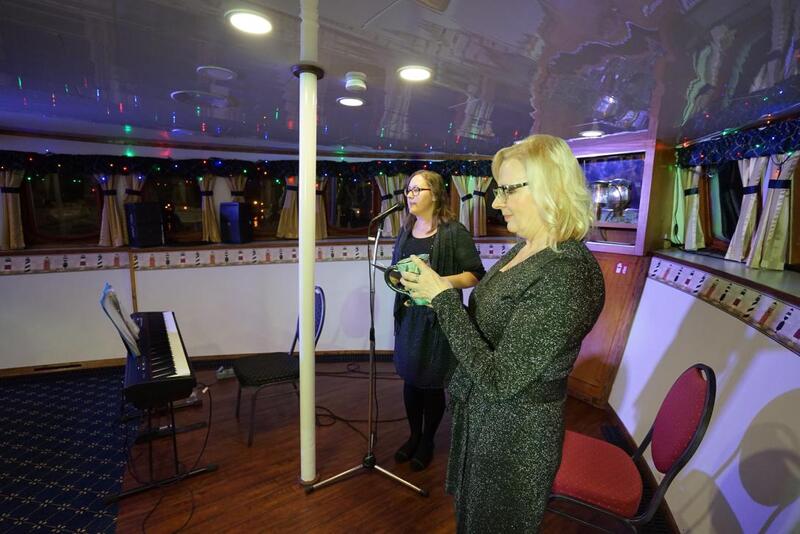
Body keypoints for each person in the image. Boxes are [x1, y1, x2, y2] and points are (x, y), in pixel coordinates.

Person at [400, 135, 605, 532]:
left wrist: (443, 298)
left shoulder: (567, 273)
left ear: (550, 188)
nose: (496, 203)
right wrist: (433, 296)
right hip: (484, 419)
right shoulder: (524, 249)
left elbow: (500, 379)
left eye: (508, 190)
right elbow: (487, 327)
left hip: (513, 437)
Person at [390, 170, 485, 471]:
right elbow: (398, 269)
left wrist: (439, 282)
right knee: (410, 378)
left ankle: (427, 441)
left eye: (417, 190)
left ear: (435, 194)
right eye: (408, 190)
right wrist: (395, 278)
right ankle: (413, 436)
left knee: (431, 382)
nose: (410, 195)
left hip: (439, 319)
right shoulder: (406, 230)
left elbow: (476, 274)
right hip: (410, 317)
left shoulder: (454, 232)